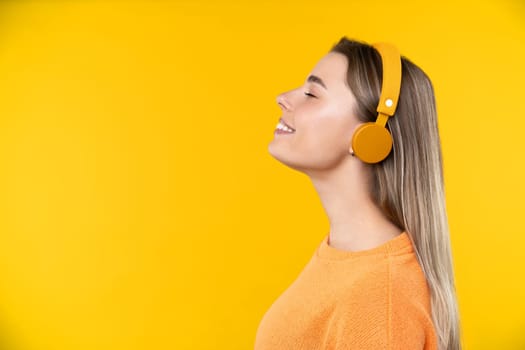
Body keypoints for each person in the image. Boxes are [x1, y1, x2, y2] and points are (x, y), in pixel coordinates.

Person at [255, 37, 462, 350]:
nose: (282, 98)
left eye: (312, 94)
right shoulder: (345, 257)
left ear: (369, 137)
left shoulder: (383, 300)